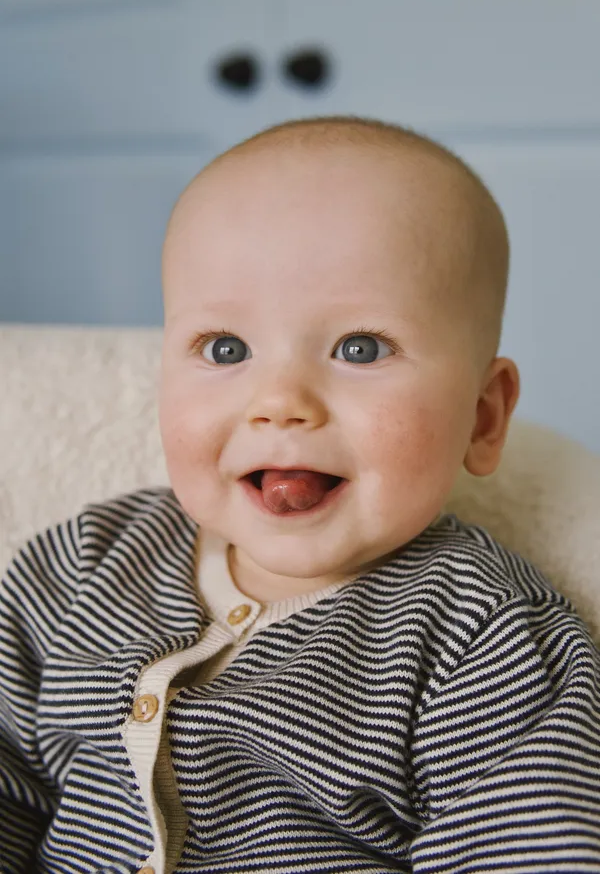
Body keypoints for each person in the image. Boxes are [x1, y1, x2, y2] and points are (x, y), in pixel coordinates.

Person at [1, 116, 599, 874]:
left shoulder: (479, 634)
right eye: (225, 349)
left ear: (481, 418)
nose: (279, 401)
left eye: (360, 348)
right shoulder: (81, 566)